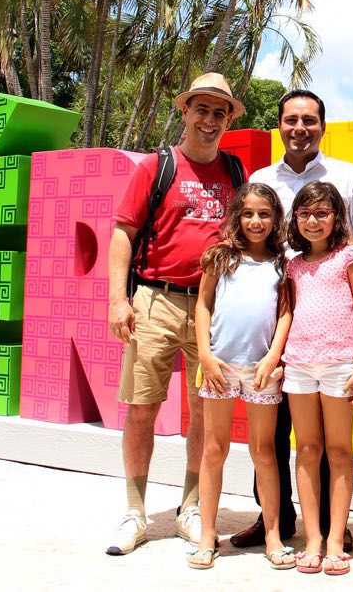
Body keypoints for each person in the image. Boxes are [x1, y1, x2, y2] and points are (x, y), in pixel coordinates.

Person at [232, 89, 353, 553]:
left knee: (324, 438)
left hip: (330, 335)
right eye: (291, 119)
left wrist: (344, 260)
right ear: (279, 124)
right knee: (270, 431)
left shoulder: (347, 176)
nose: (300, 128)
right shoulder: (260, 177)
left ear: (322, 125)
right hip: (273, 320)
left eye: (309, 120)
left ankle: (328, 527)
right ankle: (272, 516)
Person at [104, 73, 246, 557]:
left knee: (205, 411)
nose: (209, 120)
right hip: (156, 300)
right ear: (185, 112)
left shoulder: (235, 171)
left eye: (219, 112)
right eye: (201, 109)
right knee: (142, 408)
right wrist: (118, 300)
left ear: (228, 120)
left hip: (214, 307)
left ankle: (189, 506)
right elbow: (124, 231)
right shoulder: (157, 165)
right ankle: (135, 511)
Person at [189, 183, 295, 571]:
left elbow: (284, 313)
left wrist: (272, 356)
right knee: (213, 450)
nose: (256, 221)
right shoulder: (220, 258)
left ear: (275, 219)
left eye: (264, 214)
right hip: (220, 366)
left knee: (264, 452)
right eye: (248, 213)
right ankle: (206, 536)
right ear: (237, 216)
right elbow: (203, 305)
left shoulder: (282, 263)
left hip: (261, 370)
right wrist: (205, 354)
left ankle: (272, 536)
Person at [281, 181, 353, 576]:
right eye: (305, 214)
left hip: (339, 363)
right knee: (306, 450)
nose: (313, 221)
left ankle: (336, 538)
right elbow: (286, 313)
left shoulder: (350, 256)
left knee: (338, 451)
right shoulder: (292, 264)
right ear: (295, 219)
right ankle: (313, 537)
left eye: (322, 213)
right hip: (299, 364)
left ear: (336, 216)